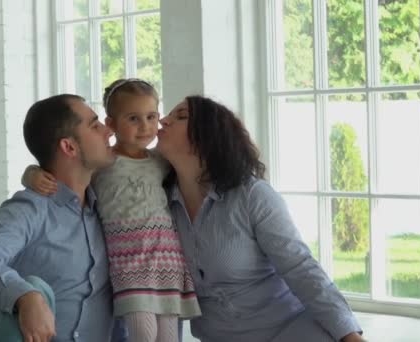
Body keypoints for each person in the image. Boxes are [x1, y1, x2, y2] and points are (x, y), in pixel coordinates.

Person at [154, 95, 364, 342]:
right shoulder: (159, 202)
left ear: (207, 135)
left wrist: (349, 335)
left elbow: (300, 267)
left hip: (291, 330)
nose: (163, 120)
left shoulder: (252, 195)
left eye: (180, 116)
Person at [24, 79, 201, 342]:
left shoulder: (161, 162)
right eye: (133, 118)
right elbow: (62, 170)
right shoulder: (103, 163)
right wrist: (31, 175)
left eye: (151, 117)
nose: (145, 127)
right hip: (128, 263)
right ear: (112, 124)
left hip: (166, 260)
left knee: (168, 337)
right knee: (143, 332)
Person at [0, 94, 120, 342]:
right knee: (35, 286)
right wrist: (25, 296)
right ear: (69, 147)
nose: (108, 131)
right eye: (95, 125)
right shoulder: (31, 209)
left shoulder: (110, 204)